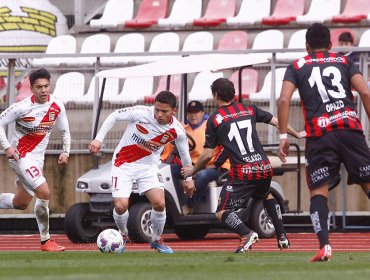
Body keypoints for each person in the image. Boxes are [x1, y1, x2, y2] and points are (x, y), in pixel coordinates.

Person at [277, 23, 370, 262]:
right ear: (330, 45)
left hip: (320, 135)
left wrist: (283, 136)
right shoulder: (344, 62)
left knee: (318, 192)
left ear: (307, 46)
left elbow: (283, 99)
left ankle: (325, 246)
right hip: (349, 129)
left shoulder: (296, 66)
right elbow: (366, 93)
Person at [182, 78, 305, 253]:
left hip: (243, 172)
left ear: (216, 95)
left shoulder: (215, 120)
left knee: (222, 212)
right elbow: (277, 122)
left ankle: (246, 234)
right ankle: (282, 235)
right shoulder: (249, 109)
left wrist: (192, 170)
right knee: (266, 196)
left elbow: (208, 153)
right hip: (263, 167)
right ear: (233, 93)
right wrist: (297, 134)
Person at [89, 91, 195, 254]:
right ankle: (123, 235)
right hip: (123, 164)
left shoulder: (177, 130)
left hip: (148, 167)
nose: (158, 114)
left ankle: (157, 240)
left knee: (160, 203)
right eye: (157, 109)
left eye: (164, 111)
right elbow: (114, 115)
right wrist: (99, 139)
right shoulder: (141, 113)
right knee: (121, 205)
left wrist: (189, 178)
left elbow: (184, 154)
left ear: (174, 110)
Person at [0, 68, 71, 251]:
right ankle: (46, 241)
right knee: (44, 191)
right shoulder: (22, 107)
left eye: (46, 86)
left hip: (37, 161)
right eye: (39, 87)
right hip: (21, 157)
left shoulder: (57, 105)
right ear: (31, 88)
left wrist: (66, 152)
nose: (44, 90)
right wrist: (7, 146)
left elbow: (65, 131)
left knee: (20, 203)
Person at [170, 100, 230, 215]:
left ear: (202, 113)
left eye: (196, 112)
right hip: (193, 165)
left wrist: (215, 164)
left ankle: (190, 205)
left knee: (202, 175)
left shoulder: (211, 126)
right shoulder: (183, 128)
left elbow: (225, 148)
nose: (193, 115)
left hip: (214, 166)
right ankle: (174, 205)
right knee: (170, 171)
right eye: (190, 112)